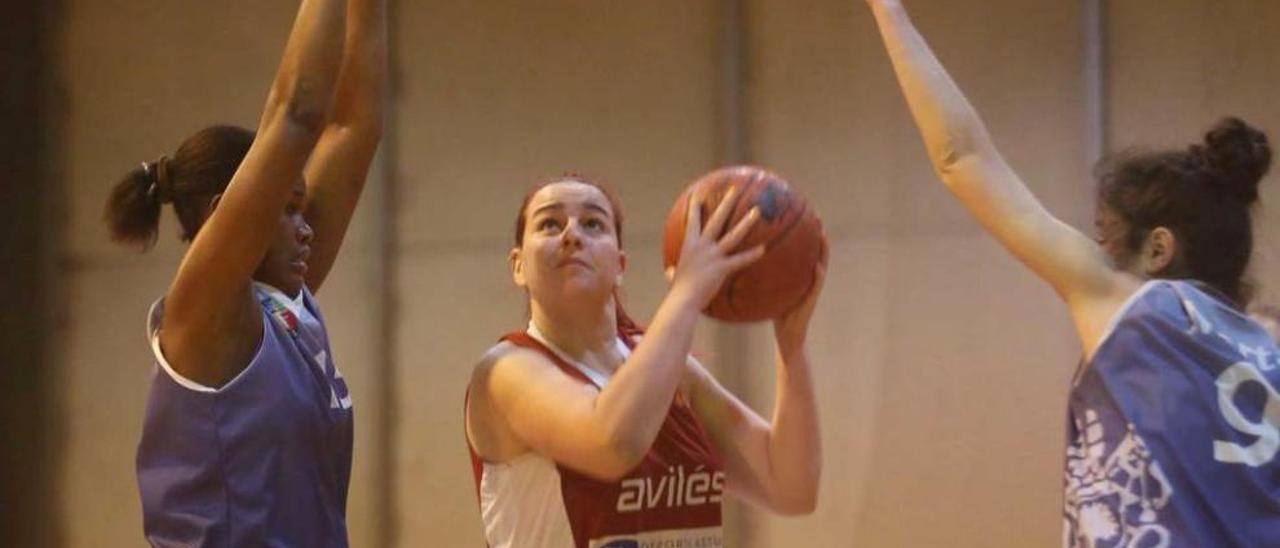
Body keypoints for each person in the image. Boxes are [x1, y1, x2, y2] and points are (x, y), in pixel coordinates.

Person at [863, 1, 1280, 546]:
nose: (1091, 252)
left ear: (1158, 249)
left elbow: (962, 159)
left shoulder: (1141, 311)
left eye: (1103, 239)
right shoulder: (1269, 343)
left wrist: (888, 10)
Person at [102, 0, 385, 544]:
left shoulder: (282, 308)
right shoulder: (204, 313)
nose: (308, 229)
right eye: (287, 209)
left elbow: (353, 127)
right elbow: (299, 114)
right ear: (223, 215)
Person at [463, 176, 824, 547]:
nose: (571, 234)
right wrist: (687, 292)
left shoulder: (672, 371)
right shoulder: (505, 373)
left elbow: (790, 486)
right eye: (550, 224)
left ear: (620, 264)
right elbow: (613, 444)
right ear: (518, 265)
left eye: (593, 223)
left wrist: (792, 347)